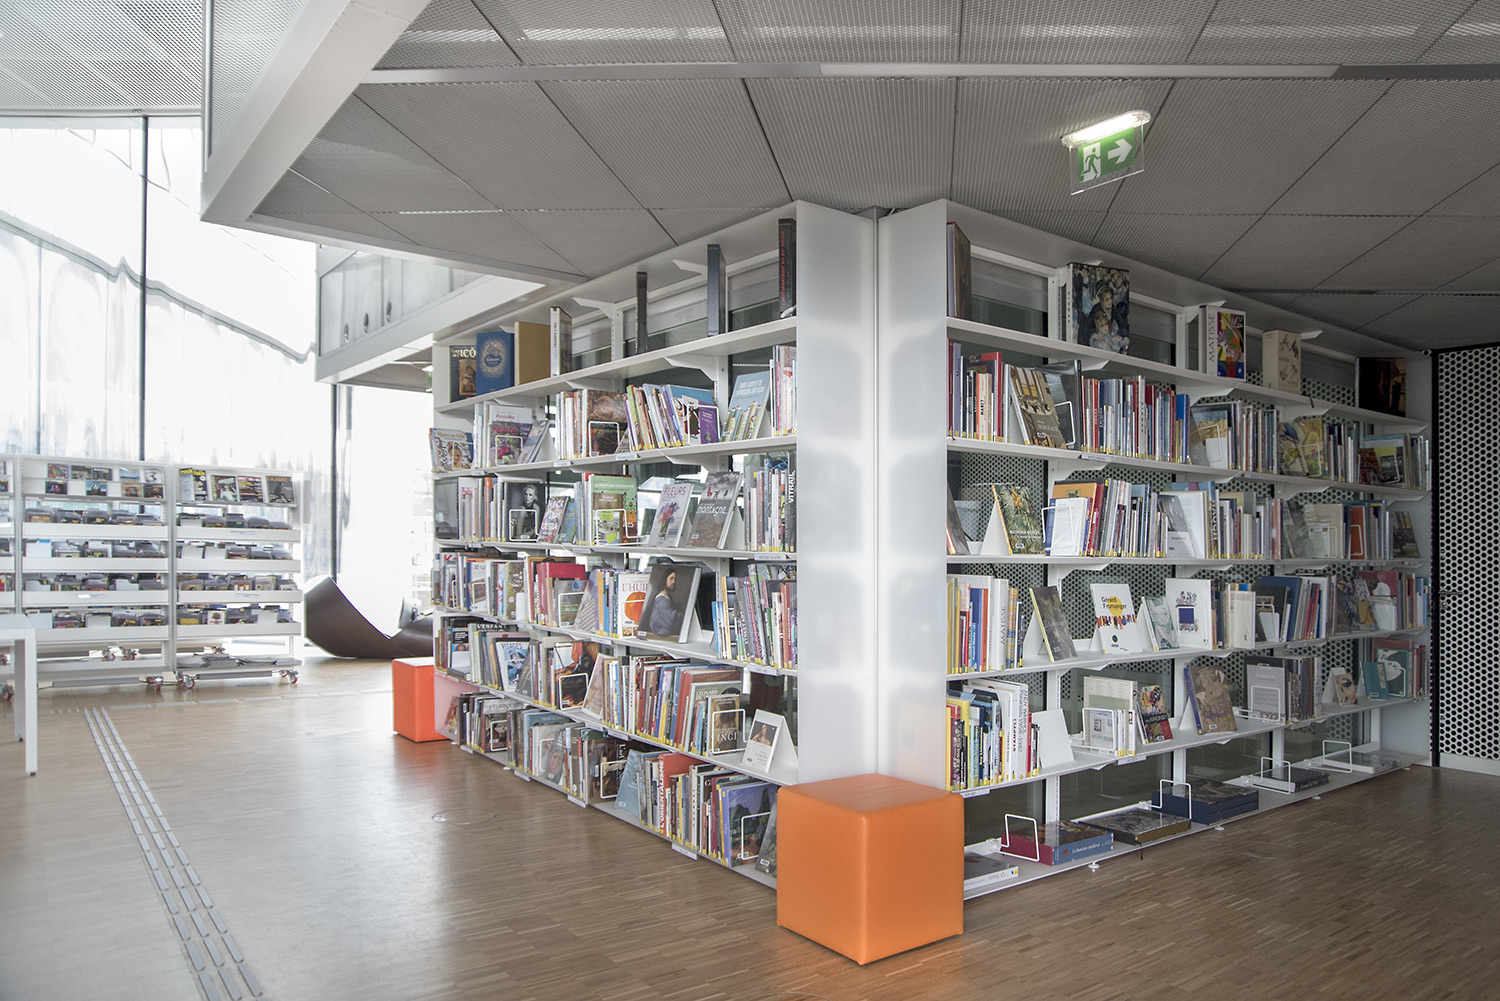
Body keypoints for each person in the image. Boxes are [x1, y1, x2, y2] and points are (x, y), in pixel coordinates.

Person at [643, 568, 685, 639]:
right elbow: (668, 618)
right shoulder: (662, 599)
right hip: (660, 633)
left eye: (675, 579)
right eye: (671, 578)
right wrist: (681, 616)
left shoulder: (666, 596)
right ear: (665, 579)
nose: (673, 582)